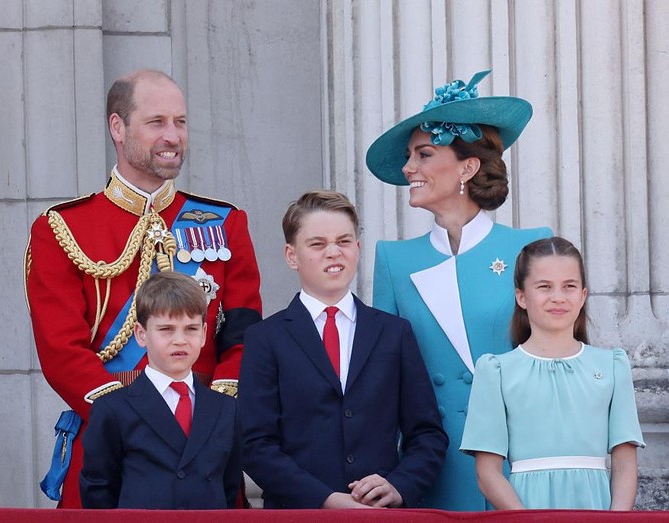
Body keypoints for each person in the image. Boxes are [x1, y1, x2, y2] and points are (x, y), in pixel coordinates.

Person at [24, 69, 262, 508]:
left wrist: (213, 415)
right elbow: (60, 351)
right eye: (157, 122)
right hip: (110, 446)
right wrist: (131, 417)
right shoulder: (61, 228)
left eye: (181, 122)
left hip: (204, 448)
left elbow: (245, 336)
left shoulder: (225, 223)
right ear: (118, 127)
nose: (173, 136)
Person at [366, 69, 552, 510]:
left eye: (424, 154)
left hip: (519, 457)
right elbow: (387, 377)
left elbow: (558, 359)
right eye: (410, 156)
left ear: (468, 167)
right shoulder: (394, 259)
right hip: (436, 462)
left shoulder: (529, 245)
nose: (409, 168)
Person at [239, 190, 448, 509]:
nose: (333, 252)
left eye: (344, 241)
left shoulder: (394, 333)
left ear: (358, 249)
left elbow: (427, 435)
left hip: (380, 515)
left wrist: (398, 486)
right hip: (297, 515)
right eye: (318, 244)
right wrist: (326, 499)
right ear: (291, 255)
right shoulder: (265, 339)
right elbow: (255, 445)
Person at [460, 236, 645, 509]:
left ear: (583, 295)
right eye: (544, 287)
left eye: (569, 286)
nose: (558, 297)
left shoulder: (612, 366)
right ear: (521, 296)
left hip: (596, 510)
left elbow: (625, 465)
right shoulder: (496, 371)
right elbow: (487, 474)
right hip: (525, 509)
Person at [80, 271, 241, 509]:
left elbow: (228, 485)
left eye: (191, 329)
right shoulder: (113, 409)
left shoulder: (226, 408)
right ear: (141, 334)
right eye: (166, 329)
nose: (180, 340)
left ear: (205, 334)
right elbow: (99, 489)